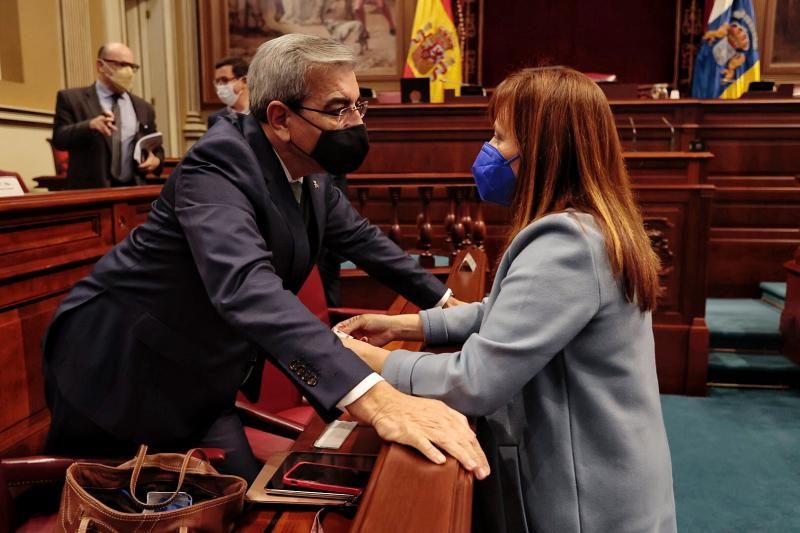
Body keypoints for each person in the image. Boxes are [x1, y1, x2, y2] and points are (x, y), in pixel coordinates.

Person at [42, 33, 488, 485]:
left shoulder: (308, 169)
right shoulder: (218, 163)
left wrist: (445, 302)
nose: (355, 121)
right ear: (279, 118)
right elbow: (245, 287)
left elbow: (362, 239)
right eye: (339, 109)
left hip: (201, 375)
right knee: (90, 500)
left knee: (243, 494)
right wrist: (378, 400)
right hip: (119, 368)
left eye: (359, 105)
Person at [338, 67, 677, 533]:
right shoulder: (595, 223)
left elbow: (475, 381)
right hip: (615, 468)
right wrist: (408, 327)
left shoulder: (566, 244)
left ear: (543, 153)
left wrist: (372, 361)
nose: (488, 152)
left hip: (588, 498)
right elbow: (514, 312)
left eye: (500, 138)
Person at [52, 42, 163, 189]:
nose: (128, 71)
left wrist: (156, 160)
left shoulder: (144, 107)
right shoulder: (72, 99)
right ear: (100, 65)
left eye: (132, 67)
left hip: (133, 190)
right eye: (122, 65)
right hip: (91, 194)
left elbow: (155, 147)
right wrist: (89, 125)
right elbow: (59, 139)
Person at [208, 56, 250, 128]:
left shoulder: (261, 114)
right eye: (217, 81)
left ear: (244, 81)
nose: (220, 86)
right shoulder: (215, 119)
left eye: (225, 80)